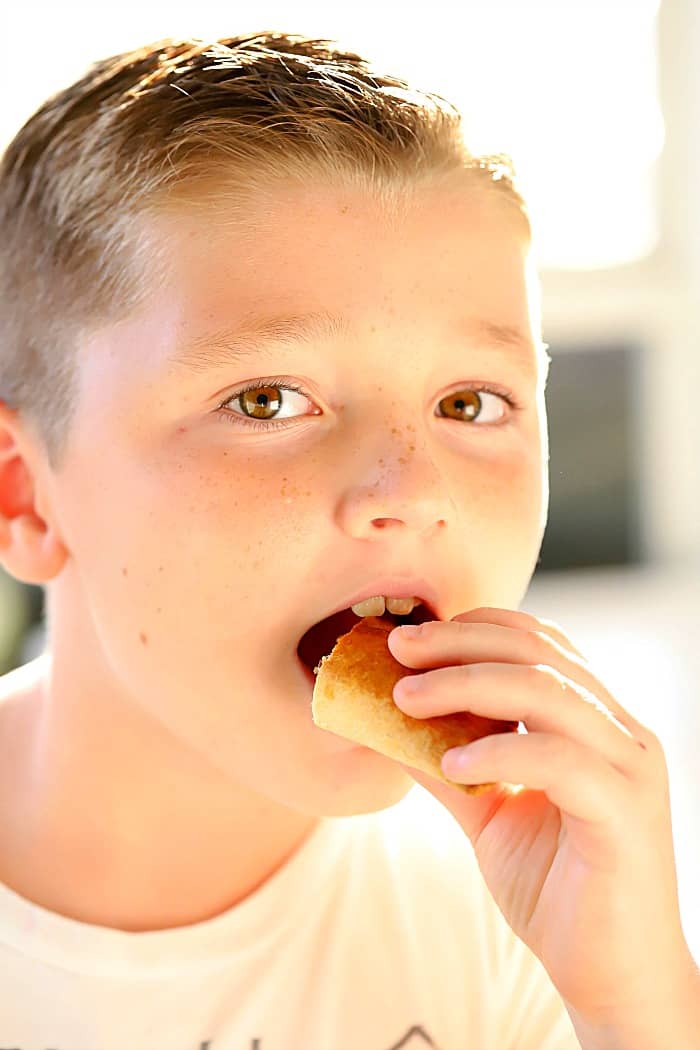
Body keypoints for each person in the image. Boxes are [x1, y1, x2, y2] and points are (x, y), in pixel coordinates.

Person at [0, 31, 696, 1050]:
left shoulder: (538, 903)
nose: (412, 490)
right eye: (267, 399)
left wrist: (638, 1006)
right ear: (26, 497)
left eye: (470, 401)